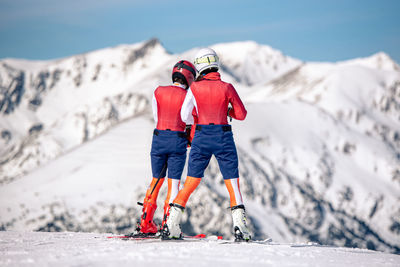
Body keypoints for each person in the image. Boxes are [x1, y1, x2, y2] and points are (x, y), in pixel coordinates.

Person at [162, 48, 251, 241]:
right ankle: (240, 228)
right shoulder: (227, 87)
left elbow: (184, 115)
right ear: (215, 63)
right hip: (223, 137)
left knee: (191, 182)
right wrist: (228, 111)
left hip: (201, 137)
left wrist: (199, 115)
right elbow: (242, 114)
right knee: (232, 183)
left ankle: (171, 224)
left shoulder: (194, 88)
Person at [136, 60, 196, 236]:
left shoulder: (158, 91)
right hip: (177, 140)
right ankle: (168, 224)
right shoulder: (188, 96)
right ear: (190, 77)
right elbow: (189, 119)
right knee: (174, 184)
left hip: (159, 138)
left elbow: (156, 117)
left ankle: (145, 222)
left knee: (156, 179)